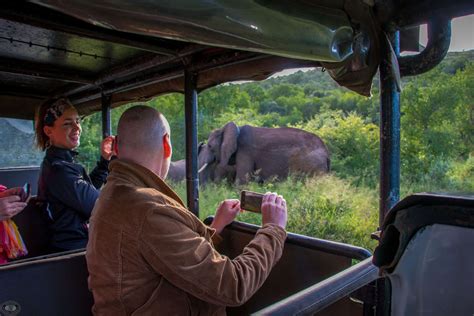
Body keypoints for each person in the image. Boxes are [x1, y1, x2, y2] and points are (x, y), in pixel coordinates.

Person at [86, 105, 288, 315]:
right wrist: (273, 229)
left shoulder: (112, 194)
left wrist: (215, 226)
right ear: (166, 144)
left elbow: (164, 251)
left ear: (116, 146)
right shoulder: (148, 209)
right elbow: (233, 285)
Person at [35, 98, 115, 252]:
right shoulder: (58, 170)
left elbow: (85, 190)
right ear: (48, 131)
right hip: (72, 252)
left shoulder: (61, 164)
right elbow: (98, 204)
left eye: (77, 121)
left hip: (79, 245)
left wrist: (105, 161)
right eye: (67, 123)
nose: (77, 127)